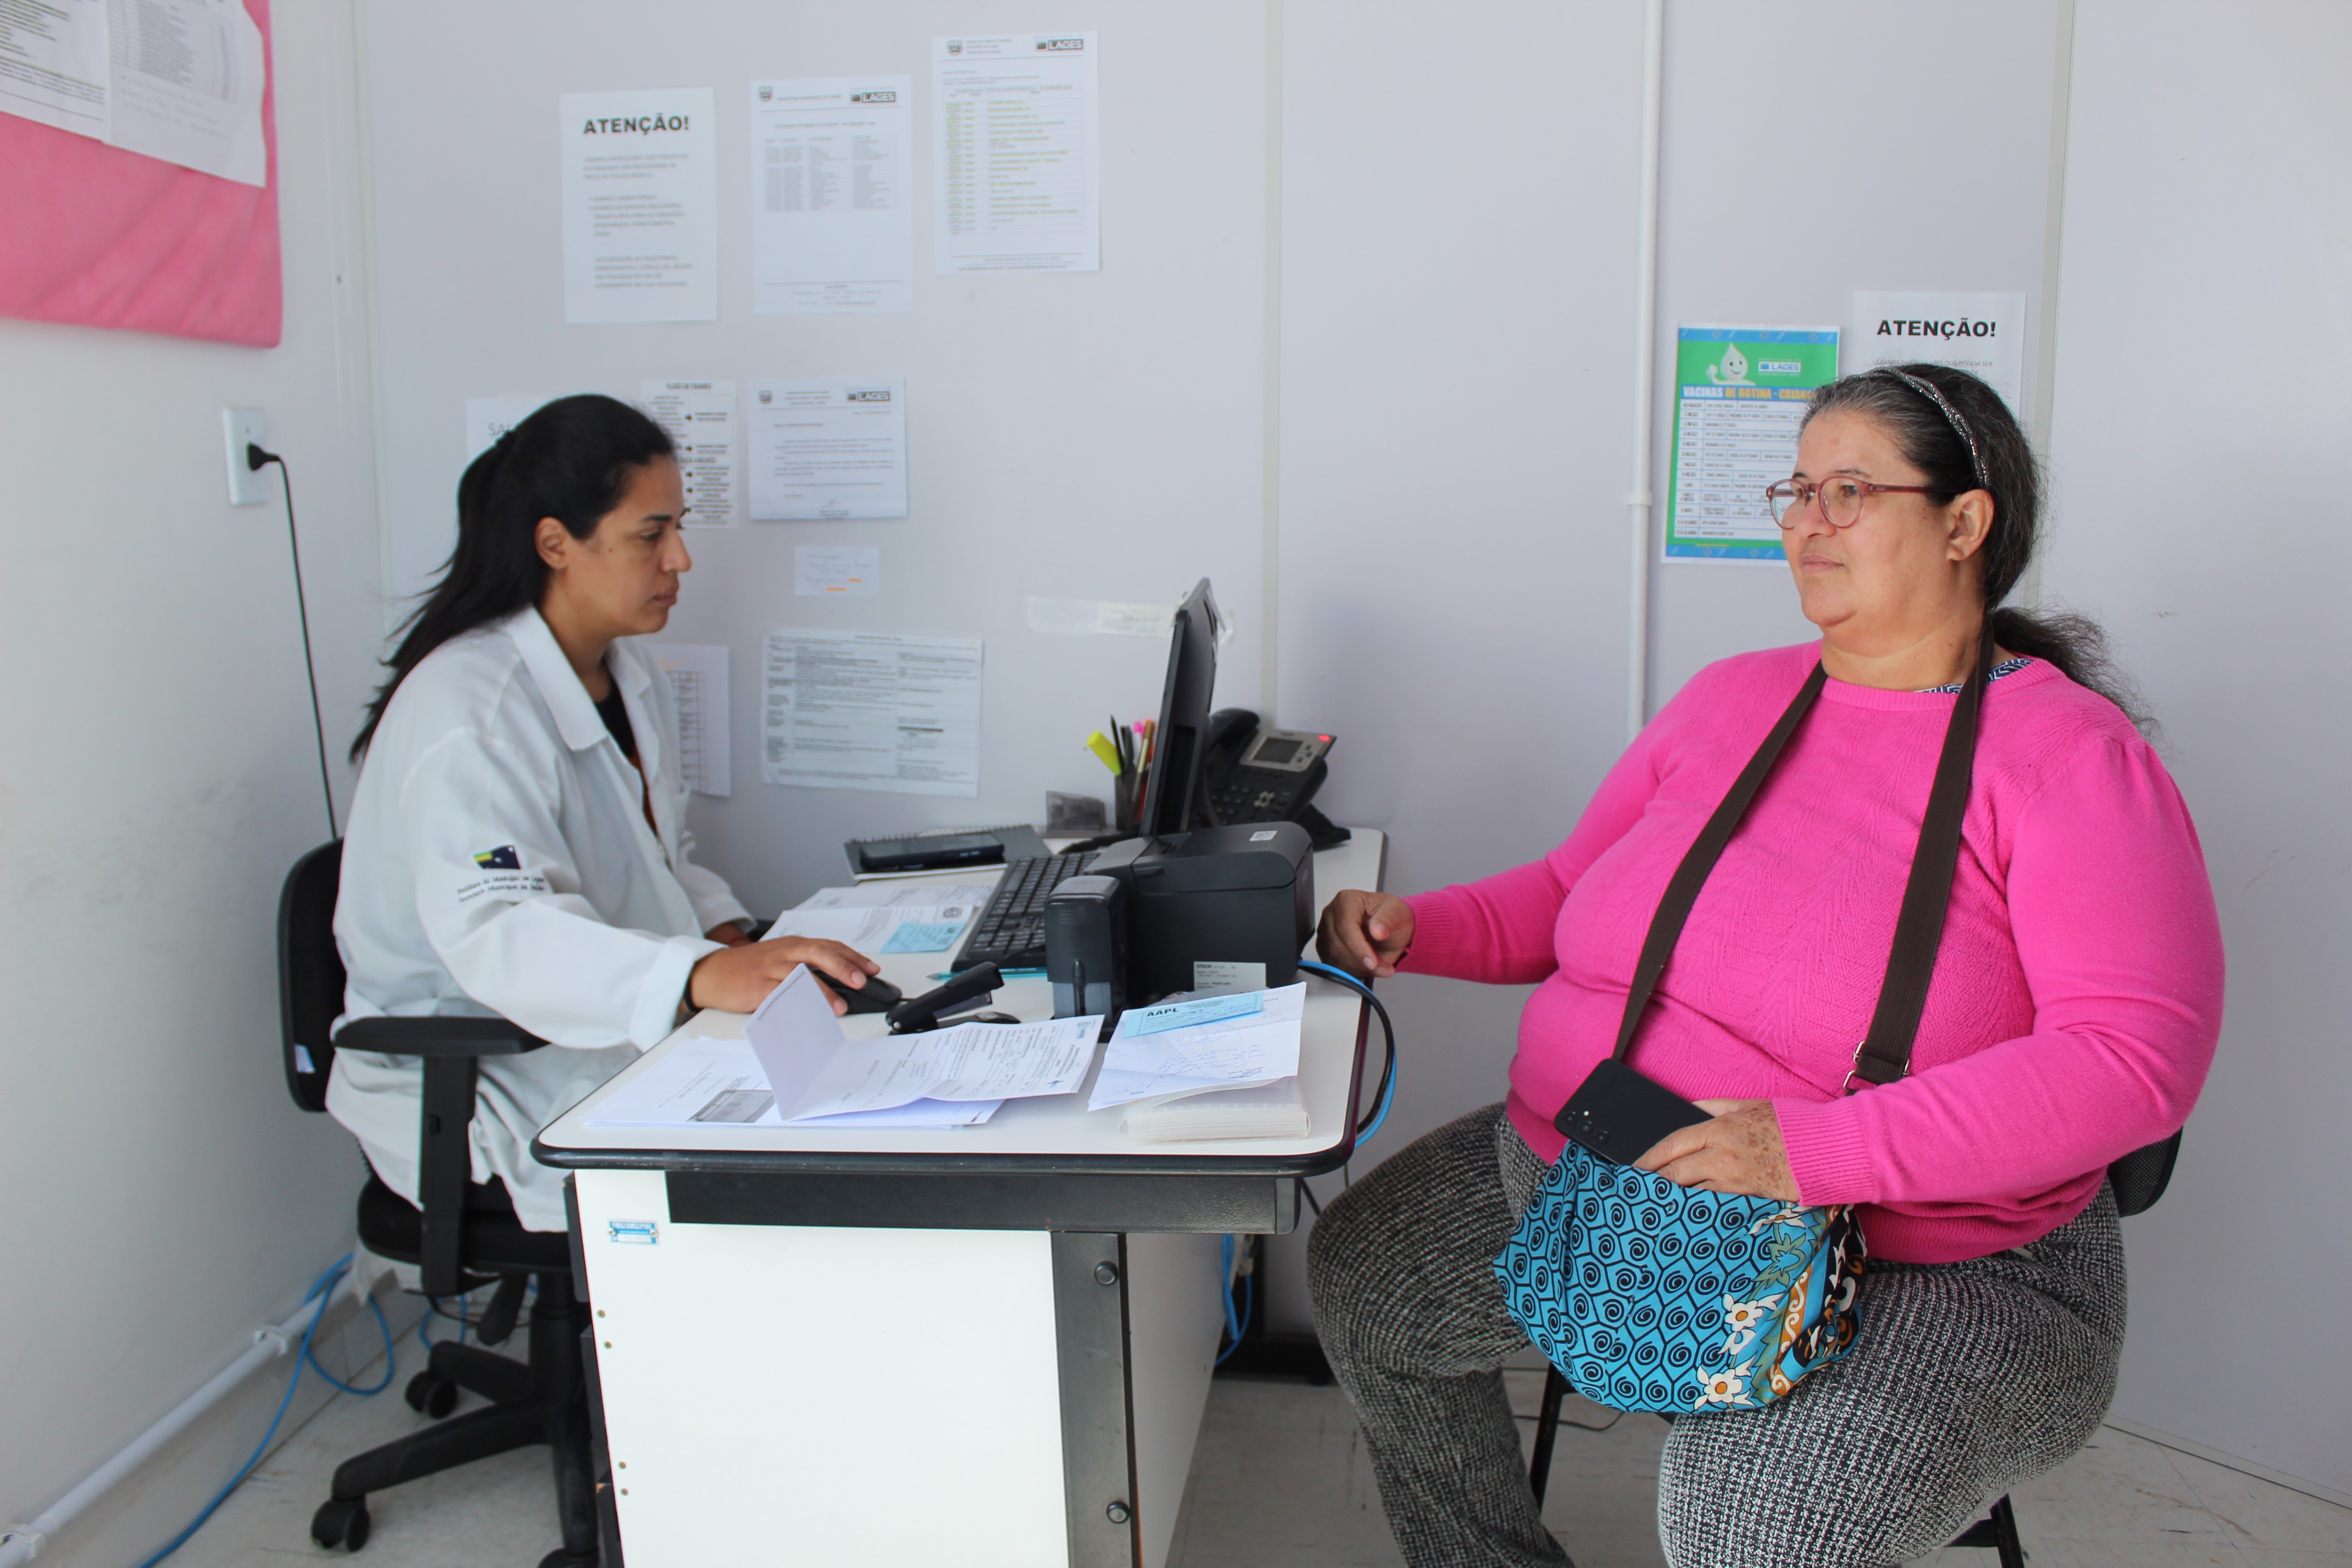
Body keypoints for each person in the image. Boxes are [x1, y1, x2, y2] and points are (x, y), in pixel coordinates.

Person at [1307, 364, 2225, 1568]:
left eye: (1850, 492)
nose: (1806, 523)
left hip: (1924, 1262)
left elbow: (2130, 1064)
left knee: (1751, 1530)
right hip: (1598, 1171)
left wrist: (1808, 1152)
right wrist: (1414, 927)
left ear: (1964, 523)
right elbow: (1571, 894)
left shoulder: (2069, 759)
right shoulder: (1728, 698)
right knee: (1366, 1283)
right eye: (1796, 491)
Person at [328, 394, 880, 1233]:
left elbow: (661, 857)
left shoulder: (626, 673)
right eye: (650, 535)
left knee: (844, 1100)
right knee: (787, 1187)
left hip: (608, 1029)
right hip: (484, 1076)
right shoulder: (469, 711)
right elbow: (502, 933)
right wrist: (696, 977)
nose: (680, 560)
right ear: (556, 543)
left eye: (678, 529)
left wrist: (743, 947)